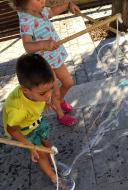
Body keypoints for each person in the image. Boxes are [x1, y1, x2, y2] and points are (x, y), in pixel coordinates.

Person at [2, 54, 75, 189]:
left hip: (36, 122)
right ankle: (54, 179)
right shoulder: (17, 108)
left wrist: (46, 102)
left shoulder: (37, 91)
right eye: (43, 94)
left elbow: (45, 93)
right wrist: (29, 146)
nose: (49, 95)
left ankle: (54, 162)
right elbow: (12, 129)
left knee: (46, 142)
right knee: (40, 154)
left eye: (51, 89)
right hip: (25, 131)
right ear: (26, 90)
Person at [11, 0, 80, 126]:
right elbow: (27, 46)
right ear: (24, 2)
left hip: (55, 57)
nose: (43, 0)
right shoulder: (26, 20)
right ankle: (60, 115)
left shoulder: (41, 10)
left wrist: (69, 5)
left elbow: (52, 11)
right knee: (55, 92)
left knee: (68, 83)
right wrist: (43, 44)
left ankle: (59, 101)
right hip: (45, 63)